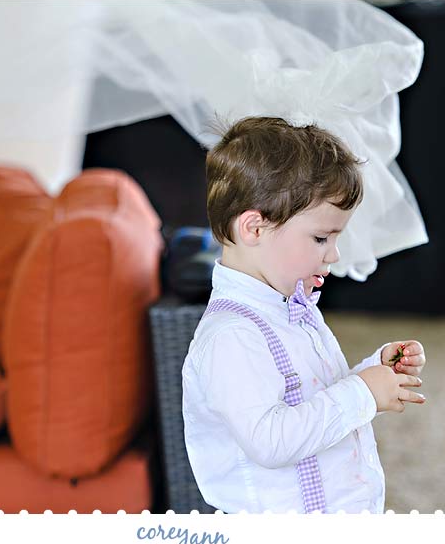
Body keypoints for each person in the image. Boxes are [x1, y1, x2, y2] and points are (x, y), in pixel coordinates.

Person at [181, 116, 427, 514]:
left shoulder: (290, 309)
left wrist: (374, 370)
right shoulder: (231, 336)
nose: (334, 255)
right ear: (254, 229)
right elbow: (271, 441)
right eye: (320, 238)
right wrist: (361, 393)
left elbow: (315, 396)